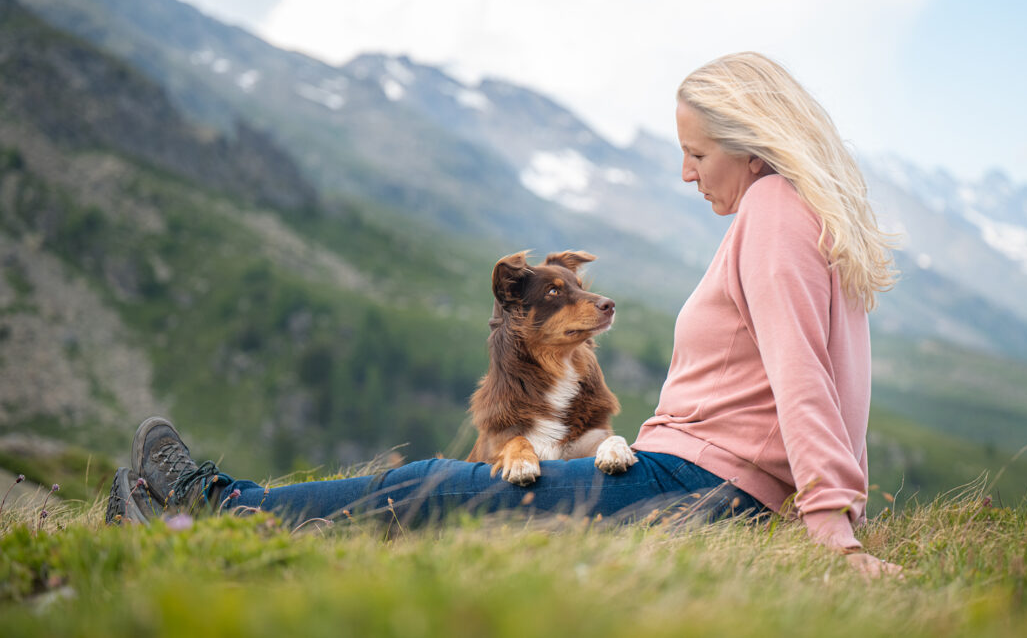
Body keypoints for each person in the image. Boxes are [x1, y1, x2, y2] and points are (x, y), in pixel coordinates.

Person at [106, 52, 900, 577]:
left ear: (751, 145)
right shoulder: (804, 215)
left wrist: (834, 528)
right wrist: (834, 506)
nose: (685, 173)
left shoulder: (771, 210)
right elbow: (842, 381)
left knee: (438, 486)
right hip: (698, 479)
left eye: (697, 154)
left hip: (699, 486)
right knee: (455, 484)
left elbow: (805, 377)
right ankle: (179, 507)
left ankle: (211, 507)